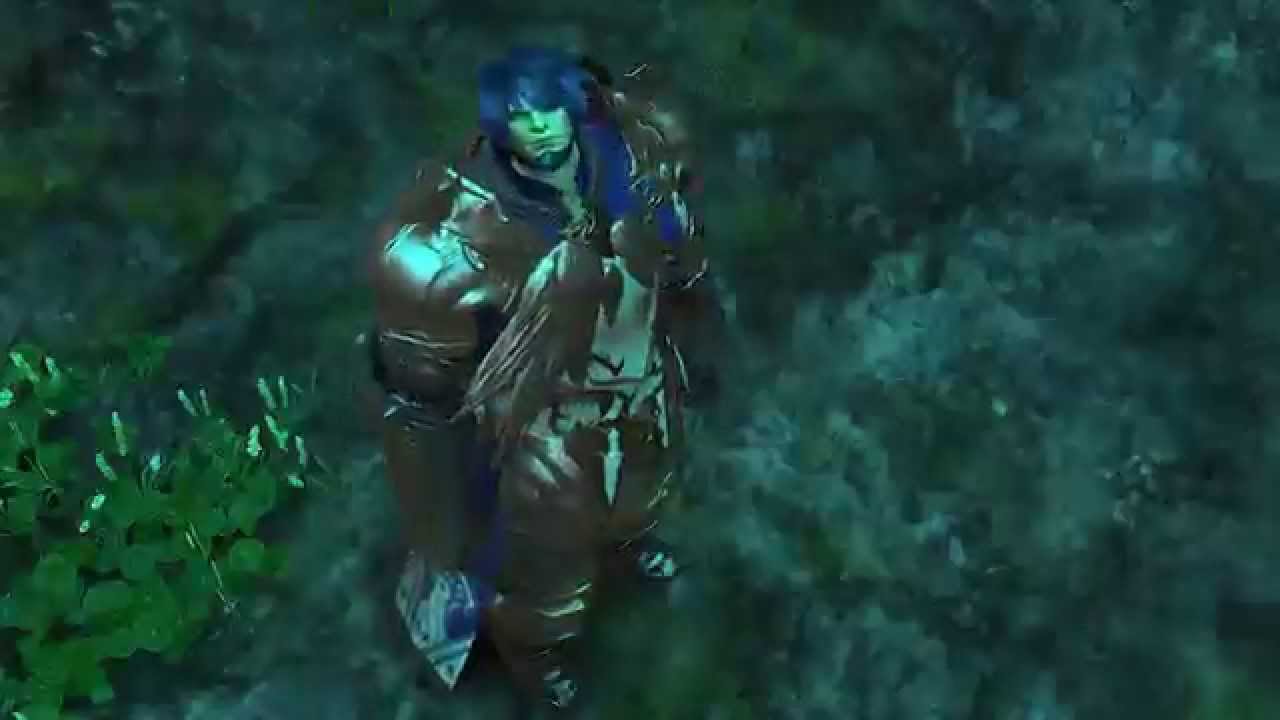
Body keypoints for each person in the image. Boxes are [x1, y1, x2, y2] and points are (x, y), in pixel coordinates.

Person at [366, 46, 722, 710]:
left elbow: (679, 247)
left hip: (640, 373)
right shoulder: (451, 238)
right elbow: (421, 398)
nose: (541, 127)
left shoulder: (631, 148)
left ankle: (630, 542)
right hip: (544, 418)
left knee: (642, 489)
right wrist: (443, 520)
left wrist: (696, 326)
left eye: (550, 108)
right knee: (546, 566)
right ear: (499, 124)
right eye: (522, 116)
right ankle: (536, 656)